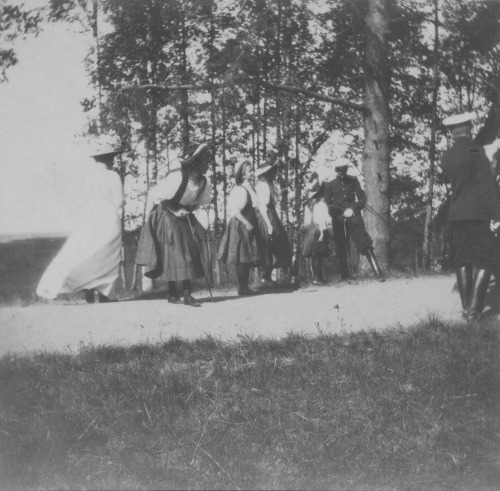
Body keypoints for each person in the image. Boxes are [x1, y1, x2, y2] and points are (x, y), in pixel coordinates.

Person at [36, 148, 124, 303]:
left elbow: (81, 200)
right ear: (109, 160)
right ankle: (105, 293)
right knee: (108, 255)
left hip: (90, 217)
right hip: (108, 216)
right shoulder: (112, 175)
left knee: (88, 252)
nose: (113, 162)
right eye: (112, 159)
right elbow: (118, 201)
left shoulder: (88, 177)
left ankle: (89, 288)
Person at [135, 143, 211, 307]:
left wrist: (188, 210)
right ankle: (174, 293)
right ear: (195, 162)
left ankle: (186, 294)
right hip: (166, 213)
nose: (208, 164)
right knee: (174, 253)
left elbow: (199, 202)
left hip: (183, 214)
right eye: (205, 161)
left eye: (208, 161)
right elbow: (161, 198)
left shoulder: (203, 182)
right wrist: (176, 211)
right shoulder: (178, 178)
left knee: (189, 251)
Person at [440, 112, 500, 321]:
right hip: (477, 213)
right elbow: (485, 183)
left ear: (452, 132)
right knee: (486, 260)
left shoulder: (446, 156)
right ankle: (474, 311)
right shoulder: (474, 151)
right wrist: (496, 213)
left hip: (456, 214)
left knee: (463, 260)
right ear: (469, 128)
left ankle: (466, 309)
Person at [324, 160, 385, 282]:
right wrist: (339, 213)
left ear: (346, 169)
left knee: (365, 243)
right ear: (336, 171)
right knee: (341, 247)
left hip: (354, 217)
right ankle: (345, 276)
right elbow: (328, 204)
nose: (342, 173)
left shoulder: (353, 180)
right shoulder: (330, 185)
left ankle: (378, 273)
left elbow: (362, 198)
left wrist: (353, 209)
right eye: (339, 170)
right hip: (339, 219)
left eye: (344, 170)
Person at [218, 160, 261, 295]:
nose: (253, 173)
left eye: (253, 170)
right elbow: (235, 211)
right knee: (241, 256)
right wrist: (246, 223)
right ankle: (242, 288)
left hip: (248, 224)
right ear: (242, 175)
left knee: (247, 256)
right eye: (250, 171)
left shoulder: (250, 189)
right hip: (240, 224)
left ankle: (245, 287)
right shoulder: (240, 190)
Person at [254, 150, 293, 286]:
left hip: (271, 214)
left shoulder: (268, 185)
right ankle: (266, 277)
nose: (275, 173)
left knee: (276, 244)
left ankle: (270, 277)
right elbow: (262, 206)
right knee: (269, 245)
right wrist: (269, 224)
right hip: (266, 216)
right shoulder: (263, 185)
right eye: (273, 171)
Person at [302, 172, 332, 285]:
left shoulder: (308, 205)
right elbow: (323, 220)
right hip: (318, 230)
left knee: (314, 255)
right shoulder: (321, 205)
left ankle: (316, 277)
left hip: (311, 230)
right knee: (318, 255)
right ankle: (317, 278)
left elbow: (306, 221)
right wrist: (323, 233)